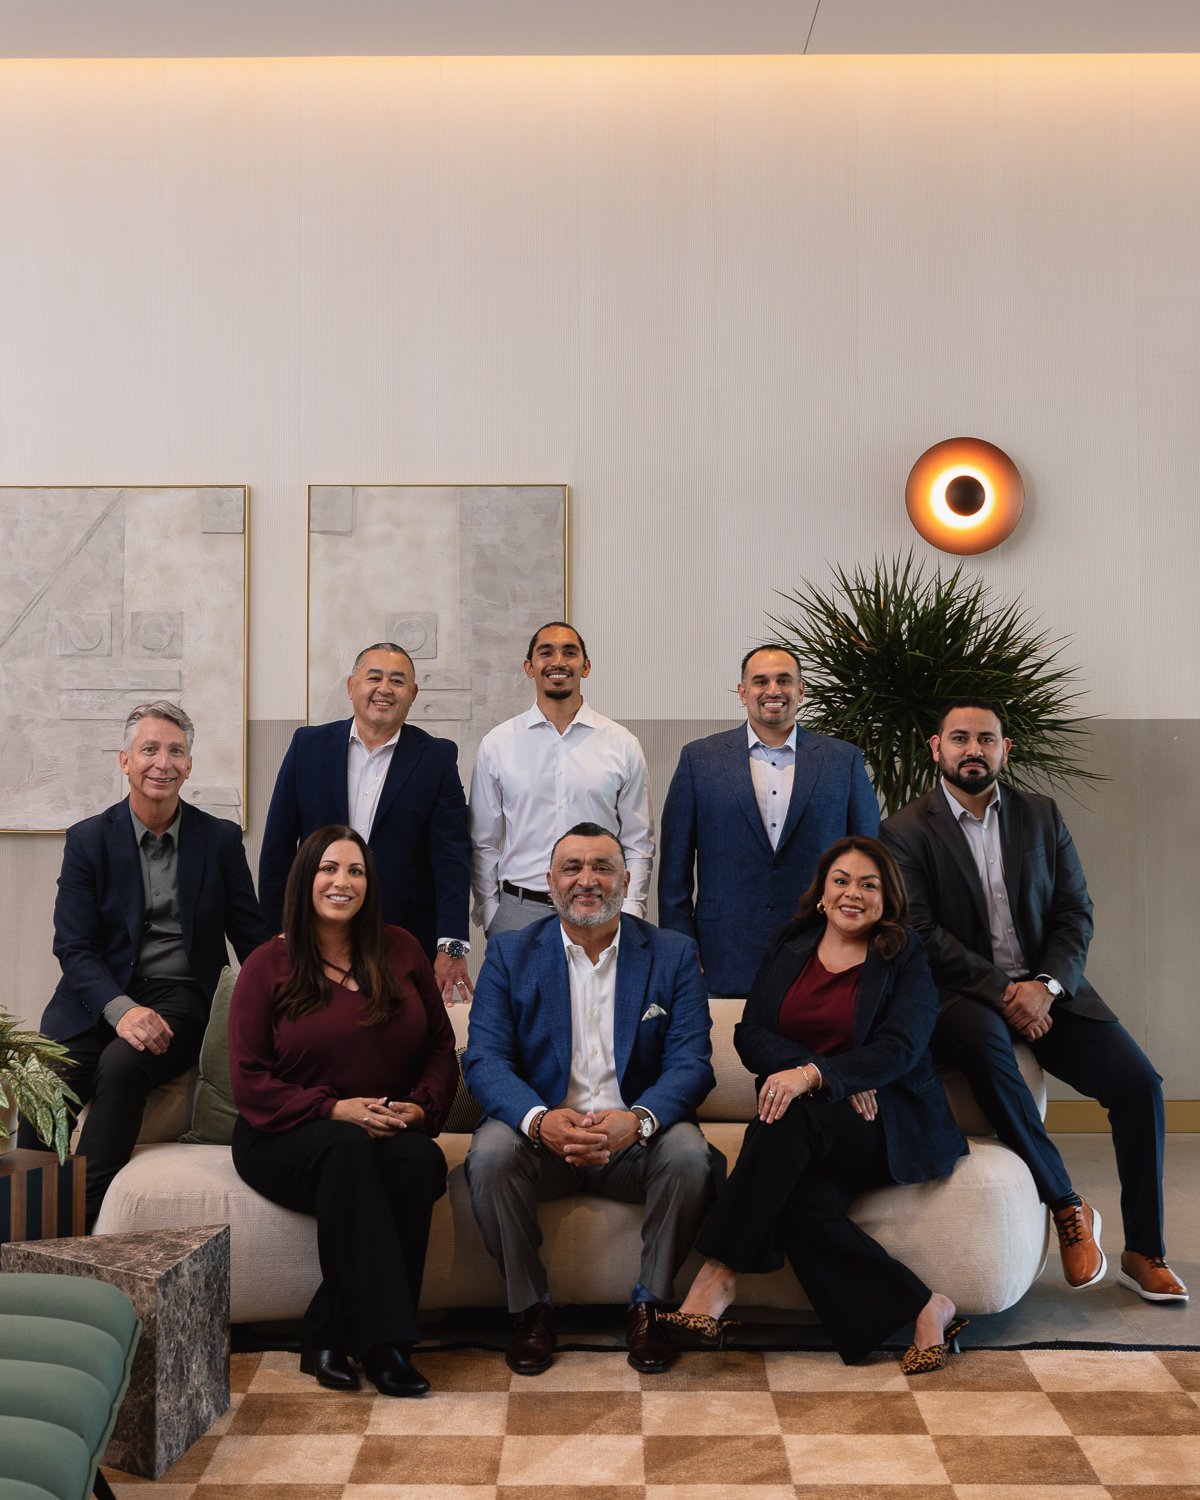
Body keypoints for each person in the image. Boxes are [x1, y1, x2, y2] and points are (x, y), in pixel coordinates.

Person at [880, 699, 1186, 1302]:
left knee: (1139, 1084)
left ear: (1004, 749)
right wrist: (1002, 990)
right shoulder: (904, 830)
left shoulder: (1041, 815)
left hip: (1048, 988)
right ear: (936, 748)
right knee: (983, 1042)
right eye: (960, 738)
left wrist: (1045, 986)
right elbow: (919, 930)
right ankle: (1067, 1206)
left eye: (986, 739)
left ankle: (1144, 1250)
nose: (974, 750)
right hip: (963, 996)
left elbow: (1075, 912)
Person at [661, 836, 969, 1372]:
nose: (853, 893)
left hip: (883, 1121)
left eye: (869, 884)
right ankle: (926, 1305)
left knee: (781, 1116)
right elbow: (750, 1032)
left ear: (886, 898)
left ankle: (717, 1276)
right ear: (822, 893)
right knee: (796, 1197)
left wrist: (820, 1076)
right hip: (815, 1119)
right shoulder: (793, 942)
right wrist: (819, 1076)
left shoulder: (904, 953)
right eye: (842, 881)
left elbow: (901, 1047)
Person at [463, 822, 716, 1375]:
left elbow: (692, 1063)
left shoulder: (671, 954)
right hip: (542, 1144)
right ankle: (531, 1311)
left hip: (634, 1145)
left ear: (626, 880)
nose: (587, 880)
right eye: (572, 868)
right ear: (550, 882)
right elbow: (483, 1059)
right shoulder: (509, 954)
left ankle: (650, 1305)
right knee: (489, 1154)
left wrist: (640, 1120)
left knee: (690, 1155)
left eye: (602, 867)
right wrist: (538, 1120)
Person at [18, 700, 270, 1229]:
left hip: (183, 995)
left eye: (175, 751)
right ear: (125, 762)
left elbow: (252, 935)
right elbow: (74, 946)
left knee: (123, 1063)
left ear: (190, 765)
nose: (163, 762)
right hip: (99, 997)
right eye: (149, 749)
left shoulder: (219, 839)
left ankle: (86, 1221)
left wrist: (297, 993)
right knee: (42, 1075)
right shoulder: (89, 839)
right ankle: (27, 1227)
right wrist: (122, 1009)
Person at [229, 825, 457, 1396]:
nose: (342, 881)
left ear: (369, 884)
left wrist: (419, 1110)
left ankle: (330, 1330)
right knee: (347, 1149)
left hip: (381, 1125)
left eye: (355, 871)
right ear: (306, 878)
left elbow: (437, 1047)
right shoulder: (268, 964)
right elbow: (250, 1079)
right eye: (329, 869)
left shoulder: (401, 949)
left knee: (420, 1163)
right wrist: (334, 1109)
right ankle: (387, 1346)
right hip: (282, 1132)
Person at [258, 642, 473, 1005]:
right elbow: (278, 848)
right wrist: (279, 931)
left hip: (403, 935)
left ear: (413, 693)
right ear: (352, 686)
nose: (384, 689)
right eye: (374, 677)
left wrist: (451, 945)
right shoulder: (308, 746)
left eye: (397, 680)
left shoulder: (436, 758)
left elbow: (452, 858)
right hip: (315, 931)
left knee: (395, 1040)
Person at [658, 644, 879, 997]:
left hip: (822, 948)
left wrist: (864, 936)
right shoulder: (699, 760)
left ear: (801, 690)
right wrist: (679, 942)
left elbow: (870, 861)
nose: (773, 691)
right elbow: (674, 871)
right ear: (743, 692)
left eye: (784, 680)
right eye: (760, 681)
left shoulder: (844, 761)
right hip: (722, 951)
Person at [468, 622, 655, 936]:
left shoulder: (622, 744)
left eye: (570, 652)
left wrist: (631, 909)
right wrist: (491, 912)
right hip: (519, 912)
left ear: (586, 666)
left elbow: (638, 843)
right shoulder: (497, 744)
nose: (558, 661)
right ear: (530, 667)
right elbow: (483, 843)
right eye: (546, 652)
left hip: (599, 907)